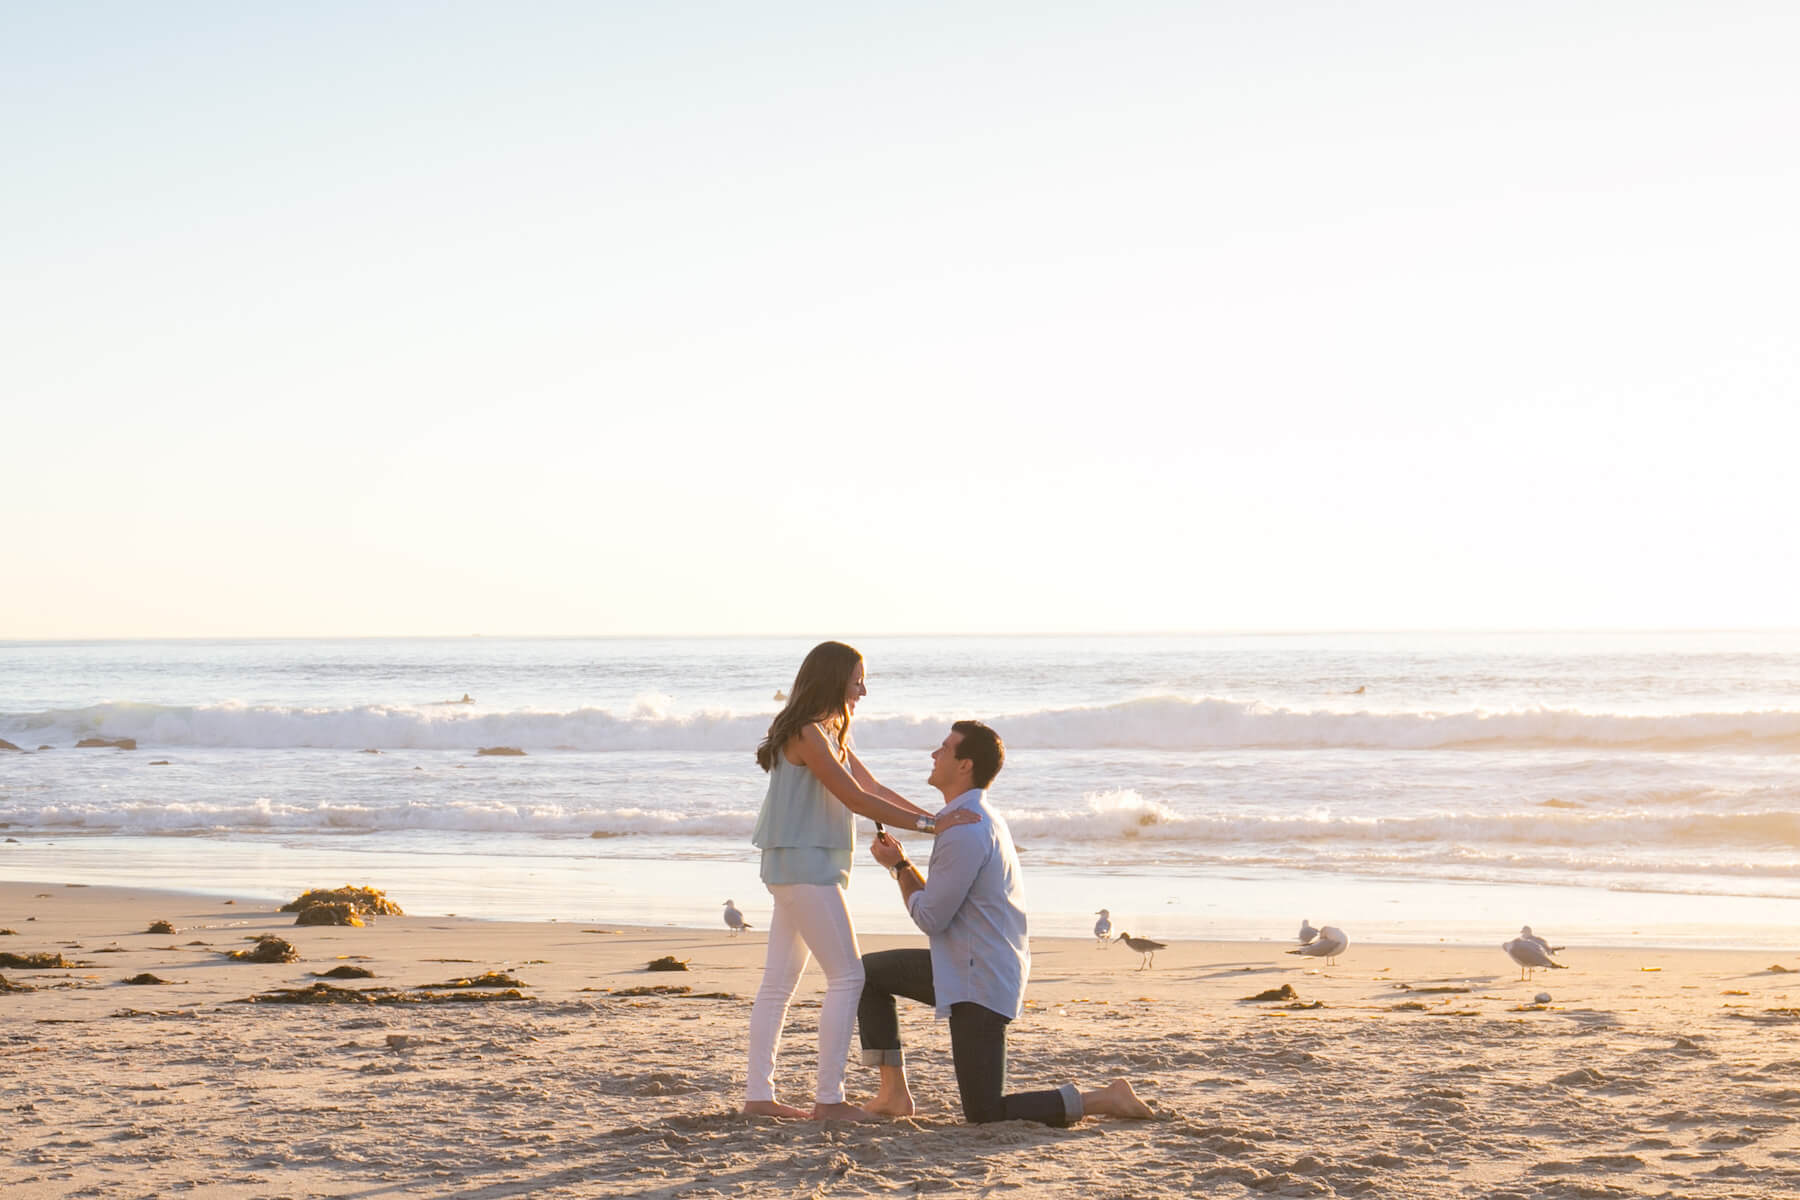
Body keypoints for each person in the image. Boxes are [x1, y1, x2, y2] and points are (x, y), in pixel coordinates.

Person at [860, 720, 1154, 1126]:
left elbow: (930, 917)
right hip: (965, 967)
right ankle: (893, 1093)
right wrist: (903, 864)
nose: (934, 754)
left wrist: (897, 868)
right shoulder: (972, 817)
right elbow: (941, 904)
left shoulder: (966, 829)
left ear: (965, 765)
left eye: (944, 748)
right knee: (865, 975)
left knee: (984, 1113)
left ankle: (1103, 1098)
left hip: (978, 980)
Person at [742, 641, 979, 1121]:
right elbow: (854, 798)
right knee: (848, 976)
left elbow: (873, 788)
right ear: (833, 681)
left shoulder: (827, 734)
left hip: (792, 868)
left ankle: (758, 1099)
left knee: (777, 985)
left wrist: (937, 816)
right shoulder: (808, 733)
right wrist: (932, 827)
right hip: (807, 870)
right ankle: (829, 1101)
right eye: (856, 682)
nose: (863, 691)